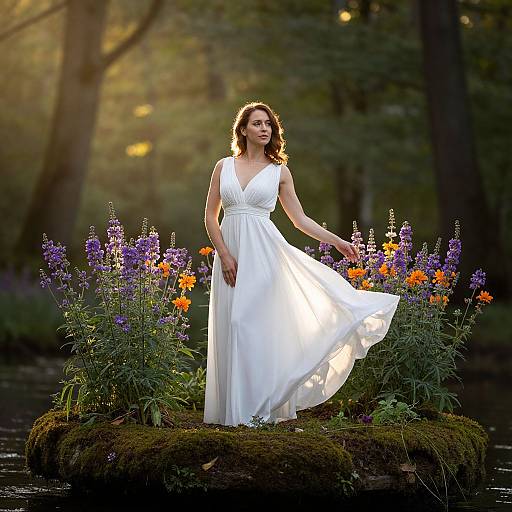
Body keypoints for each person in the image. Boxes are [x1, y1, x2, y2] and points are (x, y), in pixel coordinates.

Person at [203, 101, 400, 427]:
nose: (264, 128)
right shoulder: (223, 166)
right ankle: (234, 414)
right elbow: (210, 216)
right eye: (257, 123)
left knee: (249, 328)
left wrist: (336, 240)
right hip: (230, 256)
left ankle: (256, 412)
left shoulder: (279, 171)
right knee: (231, 326)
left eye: (268, 124)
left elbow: (300, 220)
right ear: (243, 129)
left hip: (265, 256)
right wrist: (224, 254)